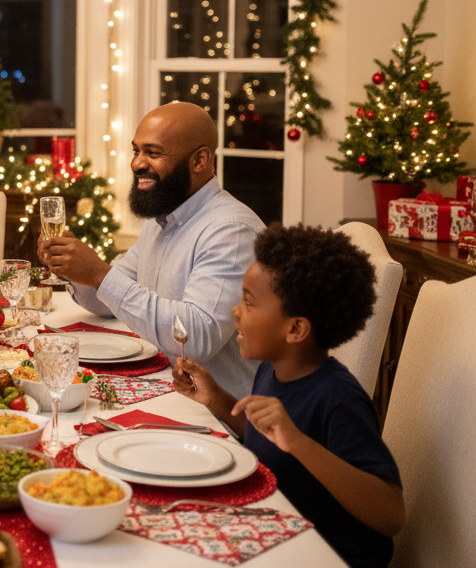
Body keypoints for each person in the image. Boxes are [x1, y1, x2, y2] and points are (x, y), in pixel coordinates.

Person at [173, 224, 404, 568]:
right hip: (280, 535)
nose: (235, 310)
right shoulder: (271, 369)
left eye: (248, 302)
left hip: (327, 557)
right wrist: (215, 398)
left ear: (295, 329)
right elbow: (268, 439)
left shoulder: (338, 399)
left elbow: (391, 514)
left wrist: (299, 443)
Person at [39, 101, 262, 396]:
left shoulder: (231, 230)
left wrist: (99, 275)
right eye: (136, 151)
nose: (137, 164)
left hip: (214, 409)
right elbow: (107, 302)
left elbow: (195, 340)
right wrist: (73, 268)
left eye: (153, 153)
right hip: (158, 385)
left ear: (200, 160)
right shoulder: (161, 220)